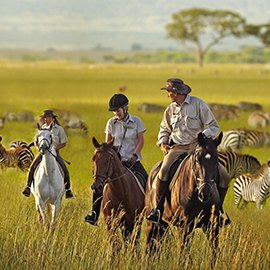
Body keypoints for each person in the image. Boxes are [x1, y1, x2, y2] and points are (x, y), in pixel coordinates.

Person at [146, 78, 230, 225]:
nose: (168, 95)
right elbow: (164, 129)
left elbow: (213, 126)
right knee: (164, 171)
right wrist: (163, 142)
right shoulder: (170, 109)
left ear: (177, 93)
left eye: (169, 92)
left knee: (223, 174)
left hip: (197, 147)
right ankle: (158, 209)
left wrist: (203, 137)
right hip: (177, 148)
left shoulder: (198, 104)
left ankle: (219, 211)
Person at [85, 93, 148, 225]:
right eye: (114, 111)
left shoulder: (136, 121)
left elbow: (140, 142)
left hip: (132, 161)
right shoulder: (111, 123)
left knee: (147, 182)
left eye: (117, 110)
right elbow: (108, 143)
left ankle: (150, 211)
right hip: (115, 162)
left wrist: (135, 155)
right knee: (99, 183)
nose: (116, 113)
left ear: (125, 108)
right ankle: (94, 214)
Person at [22, 110, 74, 199]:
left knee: (64, 169)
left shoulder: (59, 129)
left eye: (49, 117)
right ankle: (28, 187)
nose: (47, 119)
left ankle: (68, 190)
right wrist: (38, 148)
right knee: (32, 166)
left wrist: (54, 149)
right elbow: (35, 141)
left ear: (53, 118)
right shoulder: (42, 128)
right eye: (45, 117)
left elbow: (64, 143)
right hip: (43, 152)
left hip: (55, 153)